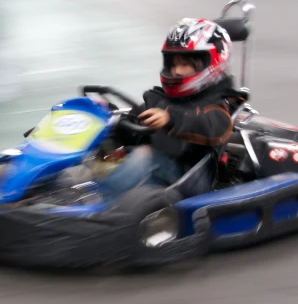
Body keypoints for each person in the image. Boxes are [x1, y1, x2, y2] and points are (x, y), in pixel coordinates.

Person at [98, 17, 239, 202]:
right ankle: (65, 188)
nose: (177, 72)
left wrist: (170, 118)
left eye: (185, 64)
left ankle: (99, 204)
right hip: (160, 173)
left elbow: (214, 125)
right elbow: (137, 125)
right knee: (101, 145)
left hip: (190, 179)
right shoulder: (163, 99)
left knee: (144, 155)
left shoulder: (218, 104)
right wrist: (109, 117)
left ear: (211, 63)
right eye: (173, 64)